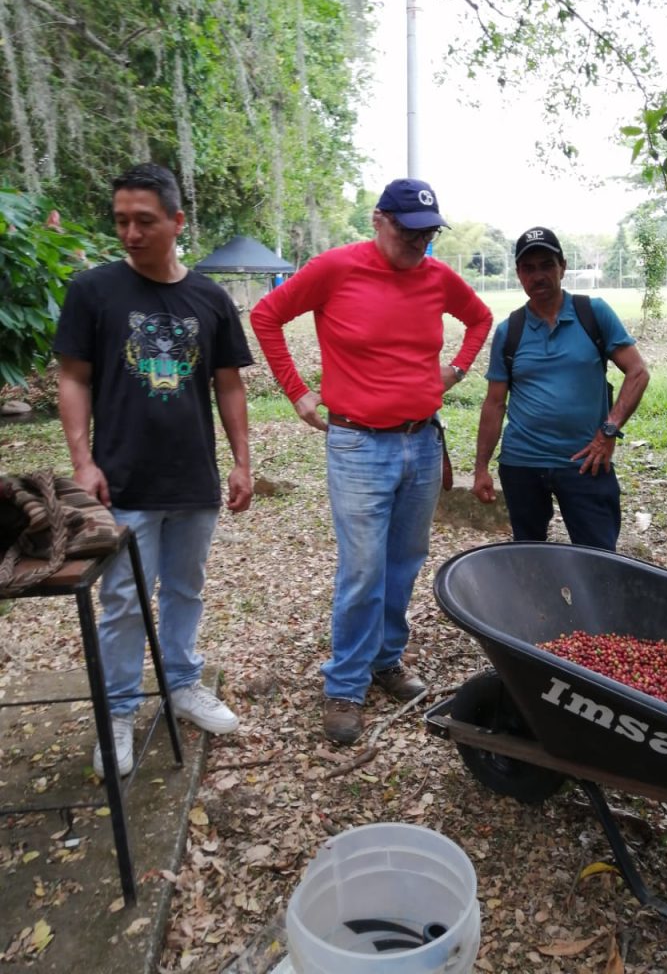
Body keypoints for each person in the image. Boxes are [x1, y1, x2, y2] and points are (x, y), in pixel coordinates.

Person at [251, 178, 492, 745]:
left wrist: (456, 370)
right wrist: (297, 392)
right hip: (358, 445)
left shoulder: (437, 277)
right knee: (362, 569)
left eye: (428, 233)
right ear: (379, 220)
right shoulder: (336, 268)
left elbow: (480, 318)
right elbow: (266, 316)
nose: (419, 243)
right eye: (409, 231)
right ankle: (345, 684)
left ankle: (385, 659)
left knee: (404, 561)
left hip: (422, 442)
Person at [54, 162, 254, 777]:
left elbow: (228, 385)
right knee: (123, 599)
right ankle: (117, 710)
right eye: (121, 221)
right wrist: (82, 462)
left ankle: (181, 682)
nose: (131, 234)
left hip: (192, 477)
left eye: (144, 221)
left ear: (177, 221)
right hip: (122, 479)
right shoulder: (94, 292)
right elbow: (73, 378)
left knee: (186, 588)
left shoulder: (210, 298)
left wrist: (242, 461)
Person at [473, 226, 649, 550]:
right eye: (529, 268)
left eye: (546, 265)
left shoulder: (592, 313)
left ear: (563, 267)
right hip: (522, 463)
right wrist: (481, 468)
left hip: (586, 461)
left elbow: (637, 372)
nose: (538, 276)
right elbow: (494, 404)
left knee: (598, 557)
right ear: (519, 274)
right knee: (530, 554)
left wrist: (609, 431)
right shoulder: (509, 330)